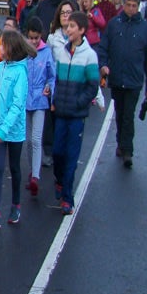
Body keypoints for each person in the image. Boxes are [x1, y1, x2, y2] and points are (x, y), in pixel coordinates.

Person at [97, 0, 147, 169]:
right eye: (128, 5)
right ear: (124, 5)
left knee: (129, 114)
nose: (131, 9)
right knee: (120, 113)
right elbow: (103, 48)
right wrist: (104, 65)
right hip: (117, 77)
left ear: (138, 7)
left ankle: (128, 150)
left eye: (134, 6)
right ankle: (121, 142)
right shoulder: (114, 25)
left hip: (135, 79)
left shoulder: (144, 28)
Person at [50, 11, 100, 214]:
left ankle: (68, 199)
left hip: (76, 115)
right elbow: (57, 80)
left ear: (81, 30)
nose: (68, 29)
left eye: (72, 26)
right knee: (57, 152)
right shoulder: (62, 52)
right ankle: (60, 182)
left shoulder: (89, 56)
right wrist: (54, 99)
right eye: (67, 26)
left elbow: (92, 85)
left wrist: (79, 102)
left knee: (72, 155)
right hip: (61, 112)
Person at [0, 29, 33, 229]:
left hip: (13, 131)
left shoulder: (20, 72)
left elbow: (17, 104)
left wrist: (5, 129)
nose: (0, 48)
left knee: (14, 167)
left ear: (12, 48)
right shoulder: (0, 68)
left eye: (2, 45)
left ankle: (15, 204)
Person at [23, 17, 56, 197]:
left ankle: (36, 176)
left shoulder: (46, 52)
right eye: (31, 38)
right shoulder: (23, 52)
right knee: (28, 140)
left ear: (41, 36)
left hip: (40, 101)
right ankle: (32, 171)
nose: (34, 41)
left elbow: (52, 75)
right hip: (25, 100)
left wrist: (50, 88)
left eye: (36, 38)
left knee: (36, 138)